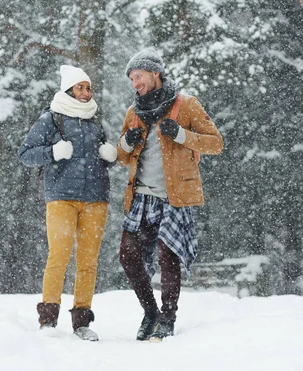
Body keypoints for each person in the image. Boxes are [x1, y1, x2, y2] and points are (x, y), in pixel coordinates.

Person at [117, 48, 223, 341]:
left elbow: (216, 143)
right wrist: (127, 141)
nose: (135, 83)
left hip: (173, 197)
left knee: (168, 256)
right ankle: (150, 312)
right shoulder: (133, 112)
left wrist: (181, 136)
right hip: (140, 197)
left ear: (155, 73)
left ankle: (168, 317)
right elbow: (121, 156)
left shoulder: (186, 105)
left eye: (138, 76)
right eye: (131, 79)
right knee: (127, 256)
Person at [18, 65, 117, 341]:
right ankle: (48, 321)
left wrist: (110, 155)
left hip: (96, 199)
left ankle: (82, 321)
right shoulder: (51, 119)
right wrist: (53, 152)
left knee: (88, 262)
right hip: (61, 197)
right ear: (68, 90)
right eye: (80, 88)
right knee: (59, 256)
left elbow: (107, 153)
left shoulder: (96, 121)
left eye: (88, 88)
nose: (86, 93)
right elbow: (25, 154)